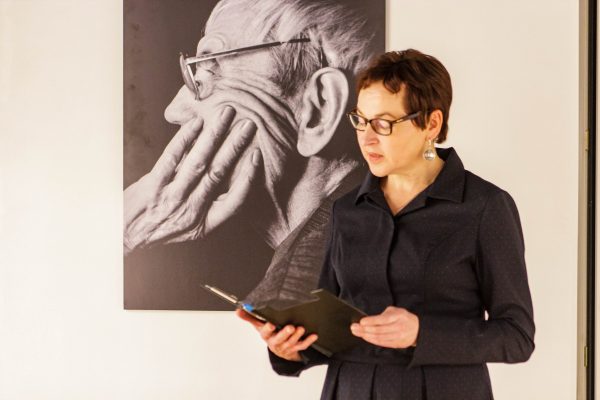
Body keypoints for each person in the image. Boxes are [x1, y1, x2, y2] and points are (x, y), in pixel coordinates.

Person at [237, 49, 536, 399]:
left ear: (431, 124)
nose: (367, 138)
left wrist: (421, 334)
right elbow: (332, 331)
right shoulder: (344, 209)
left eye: (383, 124)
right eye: (361, 121)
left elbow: (517, 336)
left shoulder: (484, 207)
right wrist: (288, 349)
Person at [123, 0, 384, 308]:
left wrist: (126, 233)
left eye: (206, 74)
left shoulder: (287, 301)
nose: (173, 111)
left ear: (318, 110)